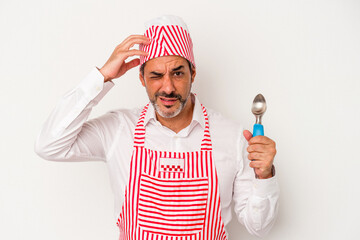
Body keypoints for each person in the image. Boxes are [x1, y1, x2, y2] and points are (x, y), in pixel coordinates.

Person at [35, 15, 279, 239]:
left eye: (177, 73)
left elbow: (259, 226)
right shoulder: (119, 129)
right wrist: (102, 76)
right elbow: (49, 145)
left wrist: (264, 175)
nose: (168, 87)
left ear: (193, 73)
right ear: (141, 78)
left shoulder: (232, 135)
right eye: (155, 75)